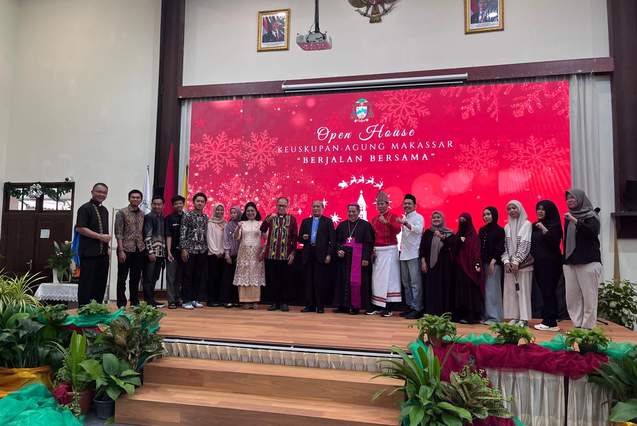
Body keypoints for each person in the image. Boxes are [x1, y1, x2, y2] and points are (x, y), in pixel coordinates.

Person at [563, 189, 602, 329]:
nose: (570, 200)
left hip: (588, 262)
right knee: (572, 297)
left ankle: (588, 328)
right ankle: (577, 326)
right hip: (570, 262)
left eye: (572, 198)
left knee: (589, 296)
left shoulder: (592, 216)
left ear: (580, 199)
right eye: (568, 198)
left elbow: (592, 232)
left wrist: (575, 221)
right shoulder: (568, 217)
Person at [333, 204, 375, 315]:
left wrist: (365, 258)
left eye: (353, 211)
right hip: (344, 259)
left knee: (356, 283)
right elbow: (336, 241)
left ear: (358, 212)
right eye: (349, 211)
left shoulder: (365, 225)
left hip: (358, 259)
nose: (351, 214)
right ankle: (342, 305)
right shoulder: (342, 225)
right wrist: (338, 250)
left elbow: (369, 243)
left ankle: (355, 306)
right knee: (342, 281)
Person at [260, 197, 298, 312]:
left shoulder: (292, 219)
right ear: (276, 206)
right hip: (271, 255)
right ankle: (274, 302)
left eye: (283, 205)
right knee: (273, 280)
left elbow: (295, 238)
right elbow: (262, 229)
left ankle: (284, 303)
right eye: (279, 205)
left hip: (285, 255)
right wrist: (267, 220)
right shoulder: (271, 217)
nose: (281, 207)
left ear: (287, 207)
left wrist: (293, 253)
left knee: (285, 280)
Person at [75, 183, 110, 306]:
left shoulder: (105, 210)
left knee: (100, 284)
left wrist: (107, 247)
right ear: (92, 192)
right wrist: (100, 237)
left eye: (104, 193)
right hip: (89, 254)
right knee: (86, 284)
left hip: (103, 255)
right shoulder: (85, 208)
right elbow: (80, 228)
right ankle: (84, 310)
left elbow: (105, 232)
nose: (101, 194)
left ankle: (97, 309)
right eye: (99, 192)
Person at [368, 191, 402, 317]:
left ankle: (389, 307)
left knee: (390, 279)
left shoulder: (393, 216)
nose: (380, 206)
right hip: (378, 251)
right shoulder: (374, 219)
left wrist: (387, 223)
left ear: (387, 204)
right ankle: (378, 305)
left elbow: (398, 230)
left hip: (390, 250)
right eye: (378, 204)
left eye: (383, 204)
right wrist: (372, 251)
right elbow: (372, 237)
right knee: (377, 280)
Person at [531, 200, 563, 331]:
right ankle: (548, 320)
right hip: (539, 263)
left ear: (549, 211)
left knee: (549, 291)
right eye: (538, 209)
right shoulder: (535, 225)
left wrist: (544, 229)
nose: (539, 211)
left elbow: (554, 243)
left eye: (543, 209)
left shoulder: (554, 225)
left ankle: (550, 322)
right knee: (544, 292)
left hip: (551, 263)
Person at [298, 200, 336, 314]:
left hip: (321, 255)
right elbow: (299, 239)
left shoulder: (328, 222)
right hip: (308, 254)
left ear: (322, 208)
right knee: (308, 282)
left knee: (319, 282)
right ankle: (309, 305)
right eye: (314, 206)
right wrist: (303, 237)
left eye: (318, 207)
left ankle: (320, 306)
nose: (315, 208)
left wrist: (329, 254)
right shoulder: (305, 222)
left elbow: (332, 240)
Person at [502, 200, 533, 327]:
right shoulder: (507, 227)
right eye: (509, 209)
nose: (511, 211)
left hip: (523, 265)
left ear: (519, 208)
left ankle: (524, 319)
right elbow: (504, 246)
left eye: (514, 208)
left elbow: (525, 244)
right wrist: (506, 261)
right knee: (512, 292)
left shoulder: (527, 224)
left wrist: (517, 260)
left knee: (523, 291)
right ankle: (515, 317)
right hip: (510, 266)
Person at [114, 189, 146, 308]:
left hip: (139, 249)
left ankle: (134, 302)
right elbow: (118, 233)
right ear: (129, 198)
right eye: (133, 197)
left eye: (138, 197)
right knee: (122, 278)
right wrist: (121, 250)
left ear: (141, 200)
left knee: (135, 278)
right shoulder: (121, 213)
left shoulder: (143, 214)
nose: (135, 199)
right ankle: (121, 304)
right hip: (125, 249)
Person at [420, 211, 455, 316]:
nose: (436, 219)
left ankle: (443, 313)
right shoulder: (428, 232)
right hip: (430, 266)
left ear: (442, 219)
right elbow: (422, 248)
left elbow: (452, 245)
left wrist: (441, 237)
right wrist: (423, 262)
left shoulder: (449, 232)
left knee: (443, 288)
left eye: (438, 217)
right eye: (434, 217)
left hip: (444, 266)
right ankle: (431, 312)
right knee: (432, 288)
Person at [233, 202, 266, 308]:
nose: (250, 213)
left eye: (252, 211)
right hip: (244, 253)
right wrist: (238, 228)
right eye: (248, 211)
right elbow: (236, 237)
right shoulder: (242, 223)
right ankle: (245, 301)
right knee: (244, 275)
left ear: (256, 212)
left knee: (255, 276)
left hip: (257, 254)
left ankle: (255, 301)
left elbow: (266, 238)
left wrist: (263, 252)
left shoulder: (260, 224)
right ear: (245, 212)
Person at [180, 192, 209, 310]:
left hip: (202, 250)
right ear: (194, 202)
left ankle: (194, 299)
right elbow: (183, 232)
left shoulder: (205, 217)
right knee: (188, 275)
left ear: (205, 203)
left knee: (198, 276)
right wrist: (184, 249)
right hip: (190, 250)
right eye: (198, 201)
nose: (200, 203)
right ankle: (185, 300)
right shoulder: (187, 215)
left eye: (202, 201)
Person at [398, 194, 425, 320]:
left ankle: (417, 308)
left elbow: (418, 230)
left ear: (415, 205)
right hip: (403, 254)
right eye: (405, 203)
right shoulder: (405, 217)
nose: (407, 205)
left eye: (409, 203)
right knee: (406, 283)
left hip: (414, 254)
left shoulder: (419, 217)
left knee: (415, 283)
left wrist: (405, 223)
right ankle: (409, 306)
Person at [453, 213, 483, 324]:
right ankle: (460, 314)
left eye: (464, 220)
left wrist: (477, 265)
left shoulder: (473, 236)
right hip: (459, 268)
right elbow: (454, 250)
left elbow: (476, 252)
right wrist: (458, 241)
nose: (462, 223)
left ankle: (471, 316)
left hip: (470, 268)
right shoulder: (458, 234)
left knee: (469, 292)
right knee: (460, 292)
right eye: (460, 220)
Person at [479, 207, 505, 325]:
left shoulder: (500, 230)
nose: (486, 217)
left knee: (492, 290)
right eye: (484, 215)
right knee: (485, 290)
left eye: (488, 214)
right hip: (483, 263)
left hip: (494, 264)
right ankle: (486, 315)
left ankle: (495, 317)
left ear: (494, 215)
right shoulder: (482, 230)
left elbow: (500, 247)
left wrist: (493, 262)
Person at [142, 195, 166, 308]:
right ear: (151, 205)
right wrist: (150, 252)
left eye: (159, 204)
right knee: (148, 277)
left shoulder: (162, 217)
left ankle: (152, 299)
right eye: (154, 204)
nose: (157, 206)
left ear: (163, 205)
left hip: (160, 253)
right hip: (151, 253)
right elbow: (147, 236)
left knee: (155, 277)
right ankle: (148, 301)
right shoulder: (149, 217)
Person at [165, 195, 185, 309]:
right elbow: (168, 235)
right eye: (176, 204)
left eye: (180, 203)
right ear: (173, 205)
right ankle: (171, 300)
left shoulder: (186, 217)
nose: (178, 205)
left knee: (180, 277)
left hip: (183, 252)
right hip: (172, 252)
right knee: (171, 277)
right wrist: (168, 251)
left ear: (183, 204)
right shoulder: (169, 218)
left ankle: (178, 298)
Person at [221, 206, 241, 308]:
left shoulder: (242, 224)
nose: (233, 215)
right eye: (231, 213)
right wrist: (227, 254)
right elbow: (226, 240)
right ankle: (227, 300)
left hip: (240, 256)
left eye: (235, 213)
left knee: (238, 279)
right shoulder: (228, 225)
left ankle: (236, 300)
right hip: (230, 255)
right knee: (228, 279)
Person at [206, 203, 226, 307]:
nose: (220, 212)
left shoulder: (225, 223)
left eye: (221, 210)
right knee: (212, 277)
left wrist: (223, 251)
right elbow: (209, 238)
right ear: (214, 210)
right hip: (213, 254)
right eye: (217, 210)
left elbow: (226, 239)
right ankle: (211, 300)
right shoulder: (210, 223)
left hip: (222, 254)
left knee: (220, 278)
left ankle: (219, 299)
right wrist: (216, 251)